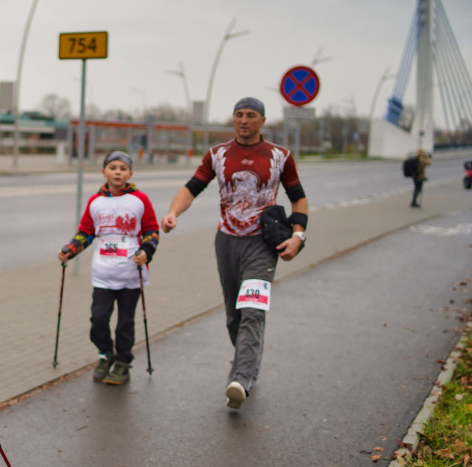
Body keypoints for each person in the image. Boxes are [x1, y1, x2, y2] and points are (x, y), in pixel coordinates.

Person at [160, 97, 308, 410]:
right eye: (239, 114)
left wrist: (298, 236)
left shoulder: (280, 156)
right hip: (226, 242)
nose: (243, 120)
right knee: (234, 316)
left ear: (262, 120)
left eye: (251, 115)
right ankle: (247, 364)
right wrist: (173, 213)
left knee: (252, 311)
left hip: (262, 244)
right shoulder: (218, 154)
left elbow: (298, 198)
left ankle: (240, 379)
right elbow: (192, 187)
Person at [58, 151, 160, 385]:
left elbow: (152, 231)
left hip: (130, 274)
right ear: (104, 172)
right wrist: (69, 250)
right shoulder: (96, 201)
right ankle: (105, 353)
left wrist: (147, 251)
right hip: (103, 274)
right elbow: (85, 232)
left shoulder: (140, 199)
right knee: (98, 320)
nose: (117, 172)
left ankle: (123, 362)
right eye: (113, 168)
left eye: (123, 169)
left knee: (125, 323)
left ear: (130, 173)